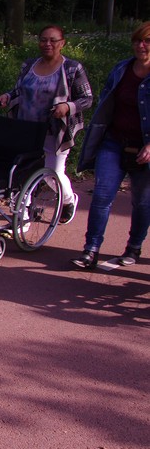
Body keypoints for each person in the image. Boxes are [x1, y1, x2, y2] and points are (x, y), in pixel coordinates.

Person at [0, 25, 92, 224]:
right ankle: (22, 217)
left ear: (62, 43)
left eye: (53, 40)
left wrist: (67, 106)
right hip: (26, 129)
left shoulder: (72, 68)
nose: (48, 44)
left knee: (52, 173)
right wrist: (7, 96)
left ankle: (68, 200)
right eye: (43, 40)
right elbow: (18, 90)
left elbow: (87, 99)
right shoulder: (29, 65)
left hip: (54, 131)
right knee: (22, 171)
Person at [71, 21, 150, 269]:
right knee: (102, 195)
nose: (141, 45)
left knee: (142, 202)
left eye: (147, 41)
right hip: (114, 142)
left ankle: (134, 247)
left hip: (144, 149)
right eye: (137, 40)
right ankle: (90, 250)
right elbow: (107, 103)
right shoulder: (121, 69)